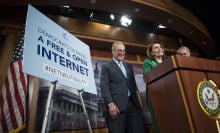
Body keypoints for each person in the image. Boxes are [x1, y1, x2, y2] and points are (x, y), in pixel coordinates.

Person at [100, 41, 146, 133]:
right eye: (119, 50)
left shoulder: (128, 66)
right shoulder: (106, 66)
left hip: (133, 105)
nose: (122, 53)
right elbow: (104, 86)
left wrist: (139, 103)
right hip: (117, 107)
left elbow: (133, 86)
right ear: (113, 51)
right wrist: (110, 104)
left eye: (123, 51)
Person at [143, 41, 165, 133]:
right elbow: (147, 77)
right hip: (155, 95)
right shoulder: (148, 62)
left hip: (168, 93)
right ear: (151, 53)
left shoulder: (169, 61)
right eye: (156, 47)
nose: (159, 49)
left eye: (160, 47)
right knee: (159, 121)